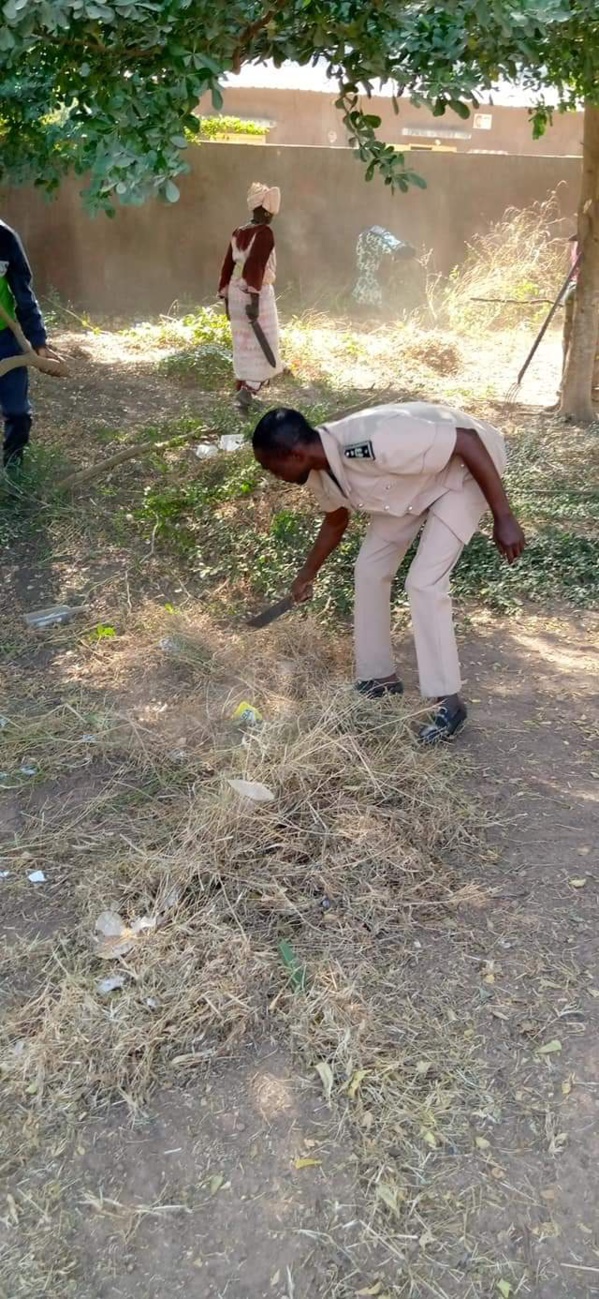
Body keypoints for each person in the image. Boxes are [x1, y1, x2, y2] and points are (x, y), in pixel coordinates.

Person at [252, 402, 526, 743]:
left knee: (424, 582)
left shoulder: (377, 439)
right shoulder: (317, 469)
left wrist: (504, 517)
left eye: (271, 467)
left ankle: (448, 703)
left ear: (294, 454)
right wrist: (307, 575)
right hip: (415, 483)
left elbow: (466, 441)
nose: (273, 475)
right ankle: (379, 679)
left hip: (468, 468)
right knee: (370, 569)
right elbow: (336, 520)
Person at [218, 182, 283, 411]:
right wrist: (254, 301)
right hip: (256, 294)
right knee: (265, 343)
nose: (272, 218)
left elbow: (228, 266)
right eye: (270, 213)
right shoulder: (264, 233)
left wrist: (227, 298)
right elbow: (255, 266)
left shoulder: (239, 232)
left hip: (235, 293)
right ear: (264, 212)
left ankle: (244, 386)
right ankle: (248, 390)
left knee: (243, 343)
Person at [0, 218, 58, 469]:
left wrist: (38, 342)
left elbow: (23, 294)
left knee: (18, 413)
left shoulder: (5, 239)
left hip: (4, 339)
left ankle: (13, 469)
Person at [351, 226, 416, 310]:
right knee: (366, 273)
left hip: (375, 240)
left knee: (367, 273)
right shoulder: (389, 245)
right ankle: (366, 303)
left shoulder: (389, 244)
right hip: (370, 240)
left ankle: (367, 303)